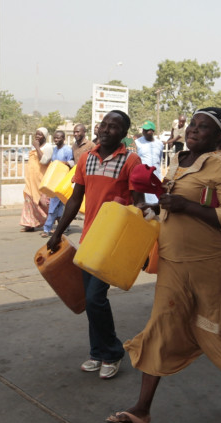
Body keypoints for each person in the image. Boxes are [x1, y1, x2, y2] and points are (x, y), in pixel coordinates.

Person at [105, 107, 221, 423]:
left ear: (220, 137)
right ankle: (142, 409)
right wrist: (152, 207)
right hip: (174, 261)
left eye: (204, 127)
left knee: (218, 323)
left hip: (213, 264)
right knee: (162, 322)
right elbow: (172, 202)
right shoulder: (178, 160)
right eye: (192, 124)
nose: (194, 130)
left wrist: (187, 206)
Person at [46, 110, 144, 380]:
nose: (105, 130)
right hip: (89, 238)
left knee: (95, 298)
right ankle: (97, 352)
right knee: (92, 300)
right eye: (103, 125)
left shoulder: (131, 160)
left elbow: (140, 204)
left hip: (114, 242)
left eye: (114, 127)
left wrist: (143, 247)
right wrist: (58, 232)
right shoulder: (87, 159)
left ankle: (111, 352)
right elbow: (75, 200)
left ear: (123, 134)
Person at [41, 130, 74, 237]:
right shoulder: (54, 150)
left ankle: (60, 227)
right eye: (55, 138)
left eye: (58, 138)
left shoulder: (67, 150)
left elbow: (72, 163)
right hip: (54, 181)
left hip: (64, 182)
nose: (56, 140)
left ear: (63, 139)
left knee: (62, 206)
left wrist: (62, 163)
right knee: (54, 205)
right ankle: (48, 229)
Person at [19, 127, 53, 231]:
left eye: (40, 134)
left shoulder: (48, 147)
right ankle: (29, 224)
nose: (37, 136)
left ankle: (50, 223)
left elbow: (44, 161)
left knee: (44, 202)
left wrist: (37, 147)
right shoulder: (33, 147)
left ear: (45, 137)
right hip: (31, 180)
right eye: (36, 134)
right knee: (29, 200)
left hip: (42, 180)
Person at [135, 120, 164, 205]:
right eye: (144, 130)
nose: (144, 132)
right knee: (144, 203)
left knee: (156, 203)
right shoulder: (137, 143)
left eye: (147, 130)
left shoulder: (160, 144)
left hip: (156, 177)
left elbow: (159, 159)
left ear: (152, 131)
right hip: (143, 177)